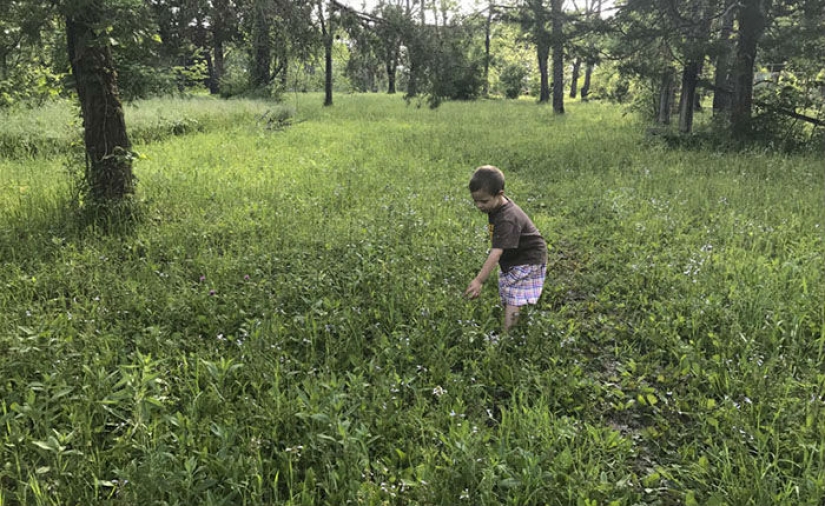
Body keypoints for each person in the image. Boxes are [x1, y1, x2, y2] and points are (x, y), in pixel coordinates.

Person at [464, 165, 548, 333]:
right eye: (475, 201)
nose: (479, 206)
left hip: (528, 258)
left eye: (484, 201)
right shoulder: (497, 205)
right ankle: (513, 323)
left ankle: (508, 336)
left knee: (514, 297)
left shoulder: (507, 218)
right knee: (509, 291)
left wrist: (479, 280)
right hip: (515, 256)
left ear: (500, 194)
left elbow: (496, 252)